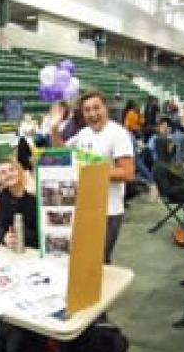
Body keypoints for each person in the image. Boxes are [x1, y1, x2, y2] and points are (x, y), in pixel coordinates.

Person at [50, 90, 135, 264]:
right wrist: (54, 128)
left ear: (106, 108)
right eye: (87, 110)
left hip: (108, 211)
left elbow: (127, 172)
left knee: (100, 262)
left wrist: (90, 171)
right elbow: (63, 153)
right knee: (87, 259)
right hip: (85, 208)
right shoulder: (84, 133)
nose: (92, 113)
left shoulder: (118, 133)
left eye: (96, 108)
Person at [0, 158, 38, 249]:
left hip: (32, 250)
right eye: (3, 172)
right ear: (0, 180)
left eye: (12, 170)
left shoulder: (33, 199)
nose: (8, 174)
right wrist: (5, 237)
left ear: (19, 172)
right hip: (13, 250)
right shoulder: (2, 198)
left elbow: (39, 234)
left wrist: (19, 235)